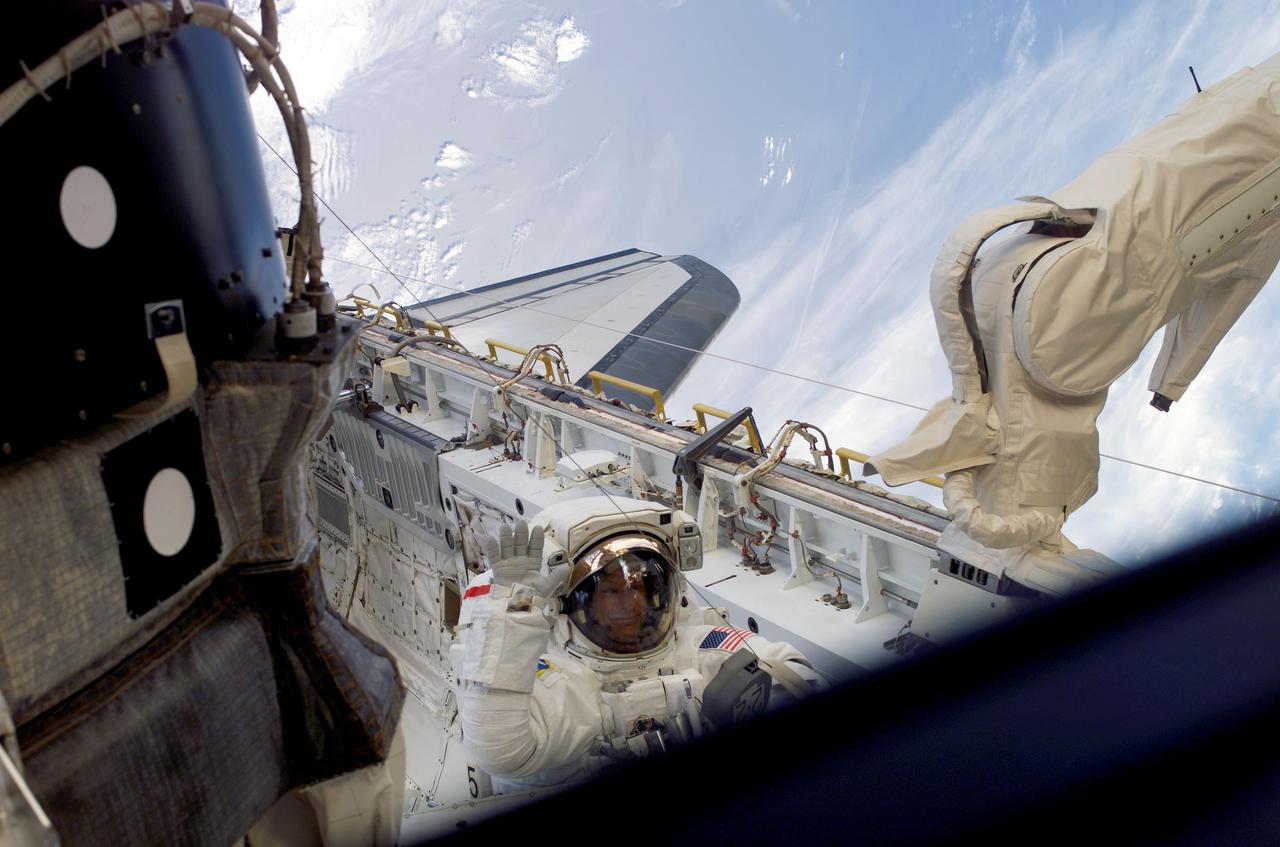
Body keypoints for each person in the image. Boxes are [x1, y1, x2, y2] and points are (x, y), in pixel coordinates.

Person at [451, 501, 824, 794]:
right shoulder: (552, 682)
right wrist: (512, 613)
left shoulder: (700, 647)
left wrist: (747, 703)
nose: (629, 603)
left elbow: (794, 671)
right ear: (571, 603)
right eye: (610, 591)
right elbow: (499, 752)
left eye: (638, 587)